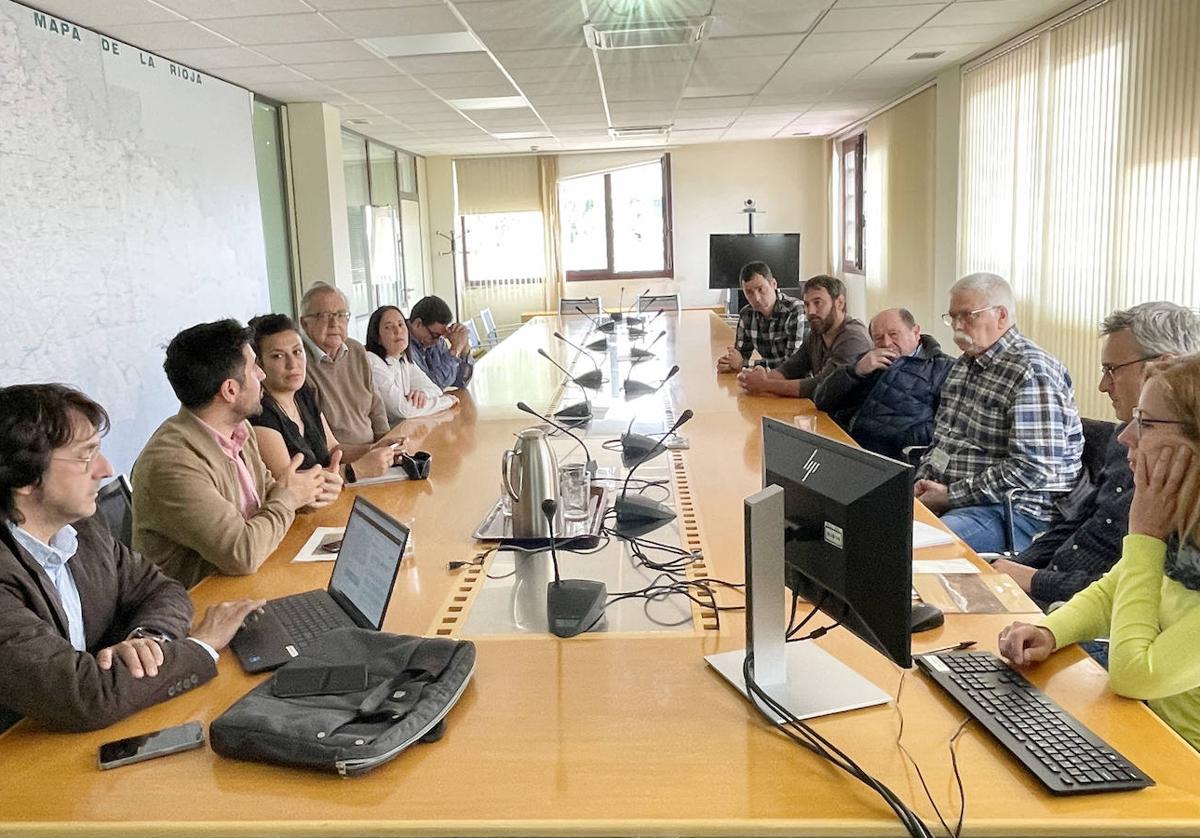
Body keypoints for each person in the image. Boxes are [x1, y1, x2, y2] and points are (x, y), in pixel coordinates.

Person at [0, 384, 263, 733]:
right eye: (85, 456)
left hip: (99, 731)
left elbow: (161, 589)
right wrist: (202, 645)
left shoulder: (84, 526)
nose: (106, 469)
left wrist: (148, 640)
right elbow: (83, 695)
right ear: (23, 477)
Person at [999, 354, 1200, 752]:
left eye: (1146, 422)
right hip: (1145, 727)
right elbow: (1113, 590)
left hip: (1184, 766)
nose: (1125, 436)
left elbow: (1135, 674)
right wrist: (1051, 631)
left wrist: (1144, 534)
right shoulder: (1185, 531)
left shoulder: (1159, 529)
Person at [991, 302, 1200, 610]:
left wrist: (1031, 579)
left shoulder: (1185, 475)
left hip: (1082, 612)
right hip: (1053, 598)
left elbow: (1137, 590)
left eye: (1111, 370)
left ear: (1163, 363)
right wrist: (1004, 569)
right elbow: (1080, 521)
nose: (1103, 386)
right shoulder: (1122, 440)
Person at [133, 319, 326, 588]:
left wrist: (309, 491)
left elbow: (270, 493)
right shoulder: (171, 463)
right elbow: (242, 553)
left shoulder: (238, 430)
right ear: (230, 390)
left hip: (248, 585)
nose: (261, 375)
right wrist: (288, 498)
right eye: (254, 368)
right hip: (198, 608)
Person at [914, 273, 1083, 553]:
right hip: (952, 496)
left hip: (1012, 510)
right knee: (872, 524)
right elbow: (944, 441)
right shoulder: (963, 366)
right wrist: (922, 483)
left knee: (914, 548)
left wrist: (950, 496)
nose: (956, 326)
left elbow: (1032, 469)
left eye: (967, 316)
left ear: (1001, 316)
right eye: (952, 317)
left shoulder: (1031, 371)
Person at [248, 314, 400, 486]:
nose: (293, 364)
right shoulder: (258, 413)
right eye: (278, 356)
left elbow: (334, 449)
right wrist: (356, 470)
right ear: (259, 364)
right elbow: (289, 484)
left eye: (297, 352)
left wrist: (375, 449)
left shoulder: (303, 393)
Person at [813, 307, 954, 460]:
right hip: (845, 447)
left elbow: (948, 429)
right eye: (878, 338)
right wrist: (856, 371)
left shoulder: (944, 368)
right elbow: (821, 400)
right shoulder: (866, 360)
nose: (886, 343)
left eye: (894, 334)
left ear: (915, 332)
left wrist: (901, 437)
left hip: (894, 457)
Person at [736, 274, 871, 398]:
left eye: (818, 303)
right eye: (807, 304)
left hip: (847, 420)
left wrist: (765, 384)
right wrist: (755, 379)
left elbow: (822, 386)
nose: (810, 311)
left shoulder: (854, 337)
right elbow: (790, 368)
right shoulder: (818, 332)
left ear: (839, 303)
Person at [298, 282, 390, 446]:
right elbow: (319, 438)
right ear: (305, 323)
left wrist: (386, 443)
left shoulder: (356, 350)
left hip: (374, 451)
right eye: (325, 315)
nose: (334, 323)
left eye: (341, 315)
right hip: (339, 460)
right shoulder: (299, 361)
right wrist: (372, 452)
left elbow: (376, 405)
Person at [364, 305, 458, 426]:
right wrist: (448, 401)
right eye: (388, 327)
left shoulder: (403, 360)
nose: (398, 331)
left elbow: (435, 389)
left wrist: (423, 394)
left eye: (400, 324)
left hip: (406, 429)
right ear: (377, 338)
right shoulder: (373, 361)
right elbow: (404, 410)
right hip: (384, 438)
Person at [716, 261, 806, 373]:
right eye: (749, 292)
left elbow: (792, 365)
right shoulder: (746, 314)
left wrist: (743, 365)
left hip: (800, 382)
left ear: (774, 284)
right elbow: (740, 356)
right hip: (769, 380)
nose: (756, 298)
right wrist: (728, 363)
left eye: (761, 289)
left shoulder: (795, 310)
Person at [407, 295, 475, 390]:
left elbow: (460, 382)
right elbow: (432, 387)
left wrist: (464, 346)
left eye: (441, 336)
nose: (438, 341)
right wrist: (454, 350)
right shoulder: (403, 345)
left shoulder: (437, 340)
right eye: (435, 335)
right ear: (418, 324)